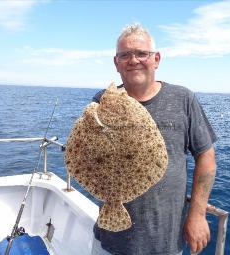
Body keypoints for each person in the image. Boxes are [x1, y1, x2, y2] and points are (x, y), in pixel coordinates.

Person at [91, 23, 217, 255]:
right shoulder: (102, 100)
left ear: (156, 59)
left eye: (142, 53)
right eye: (125, 55)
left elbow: (206, 155)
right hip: (110, 239)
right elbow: (87, 154)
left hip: (165, 241)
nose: (134, 60)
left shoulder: (183, 99)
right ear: (116, 63)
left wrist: (197, 215)